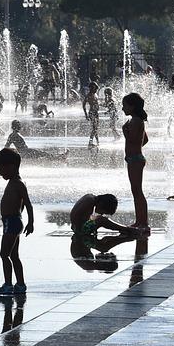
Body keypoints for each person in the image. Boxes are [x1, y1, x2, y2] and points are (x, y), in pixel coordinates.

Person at [0, 148, 33, 298]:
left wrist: (31, 222)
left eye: (0, 168)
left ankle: (8, 285)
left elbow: (28, 204)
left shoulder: (18, 184)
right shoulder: (14, 182)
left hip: (13, 222)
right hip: (12, 222)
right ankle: (20, 284)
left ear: (11, 166)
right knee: (14, 255)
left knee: (4, 254)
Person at [69, 192, 136, 251]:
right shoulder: (90, 201)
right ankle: (127, 229)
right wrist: (79, 230)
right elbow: (76, 215)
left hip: (78, 227)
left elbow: (83, 215)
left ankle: (124, 229)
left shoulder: (90, 198)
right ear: (101, 204)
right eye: (104, 212)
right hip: (79, 229)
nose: (102, 214)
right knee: (102, 220)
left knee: (100, 219)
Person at [122, 92, 149, 231]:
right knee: (135, 191)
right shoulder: (137, 120)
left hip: (136, 160)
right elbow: (145, 140)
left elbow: (131, 139)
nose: (122, 109)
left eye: (124, 106)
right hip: (134, 158)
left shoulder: (135, 121)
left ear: (132, 106)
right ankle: (139, 220)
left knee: (138, 191)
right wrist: (135, 147)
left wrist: (124, 131)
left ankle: (143, 222)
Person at [83, 81, 101, 148]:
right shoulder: (89, 95)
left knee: (96, 128)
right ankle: (90, 142)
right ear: (91, 88)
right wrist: (86, 115)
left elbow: (97, 103)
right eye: (95, 88)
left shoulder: (95, 94)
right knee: (94, 128)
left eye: (96, 88)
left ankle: (97, 142)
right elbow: (83, 105)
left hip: (96, 113)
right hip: (92, 113)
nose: (96, 90)